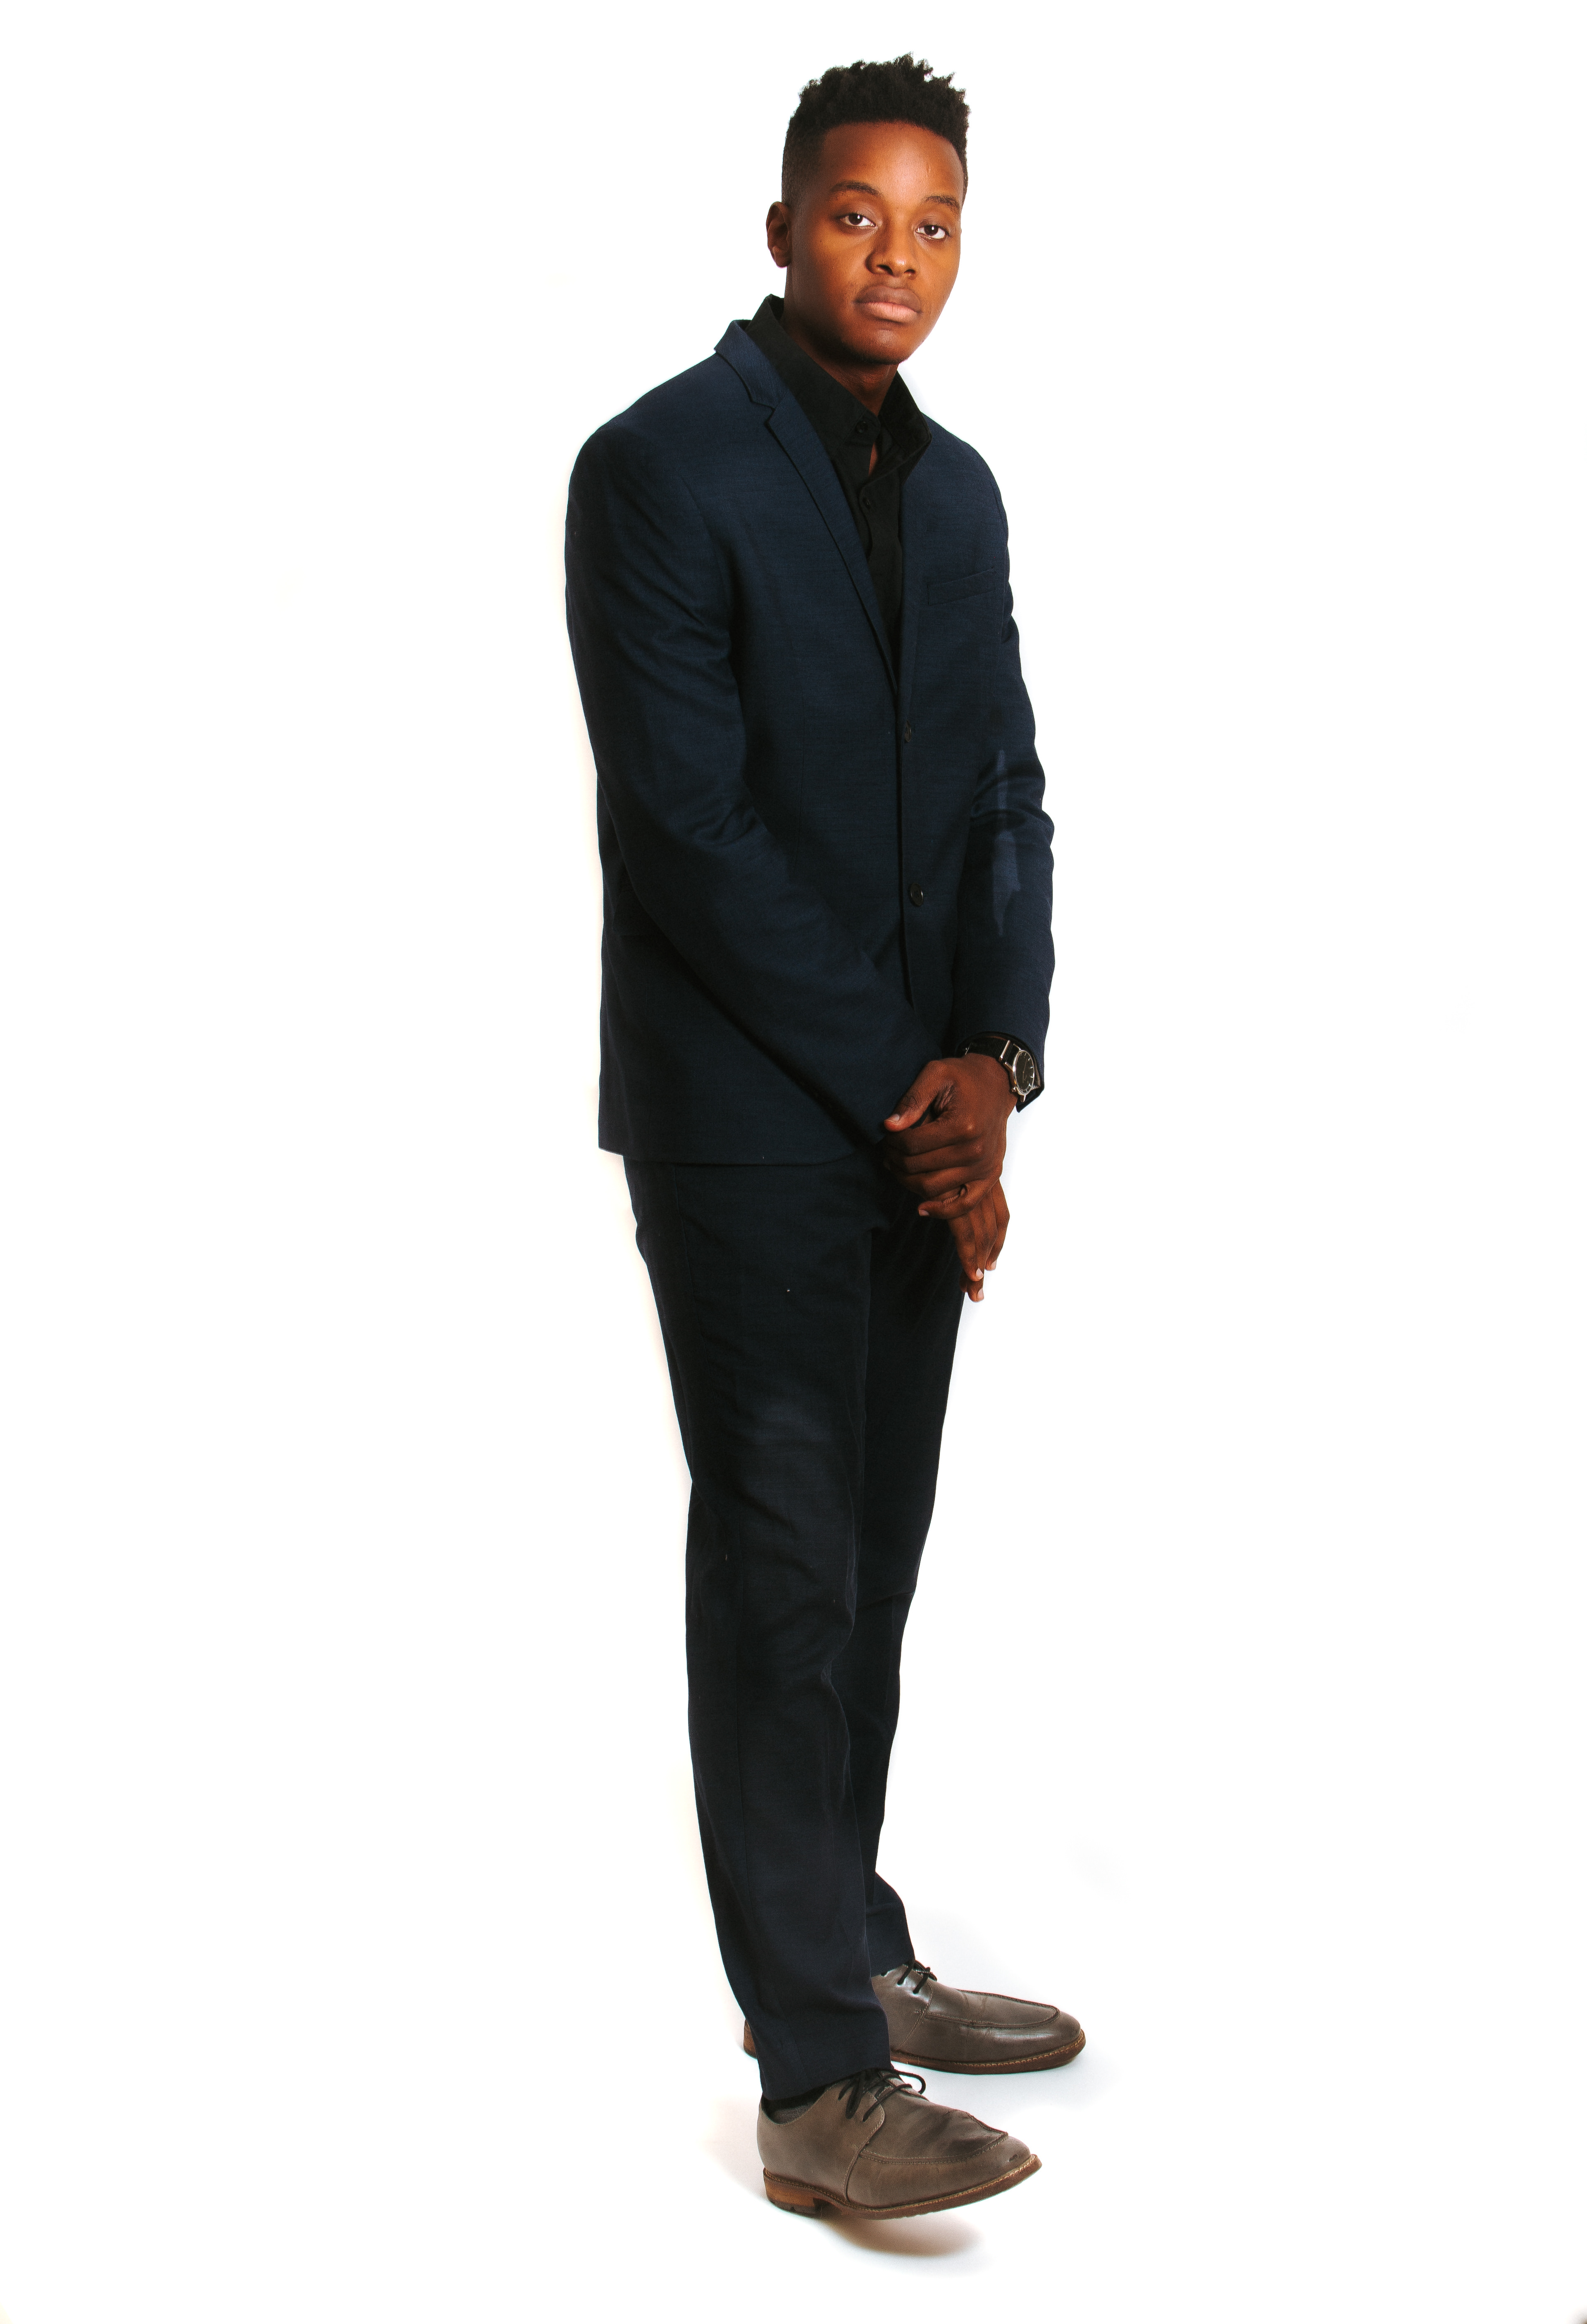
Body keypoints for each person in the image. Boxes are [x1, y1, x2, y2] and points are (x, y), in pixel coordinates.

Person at [565, 55, 1081, 2222]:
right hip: (749, 1130)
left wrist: (999, 1063)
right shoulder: (656, 468)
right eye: (858, 215)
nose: (899, 257)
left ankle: (847, 1938)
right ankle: (816, 2082)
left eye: (936, 222)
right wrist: (916, 1093)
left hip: (919, 1126)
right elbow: (693, 833)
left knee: (869, 1561)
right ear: (784, 230)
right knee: (781, 1565)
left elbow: (1006, 791)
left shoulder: (959, 497)